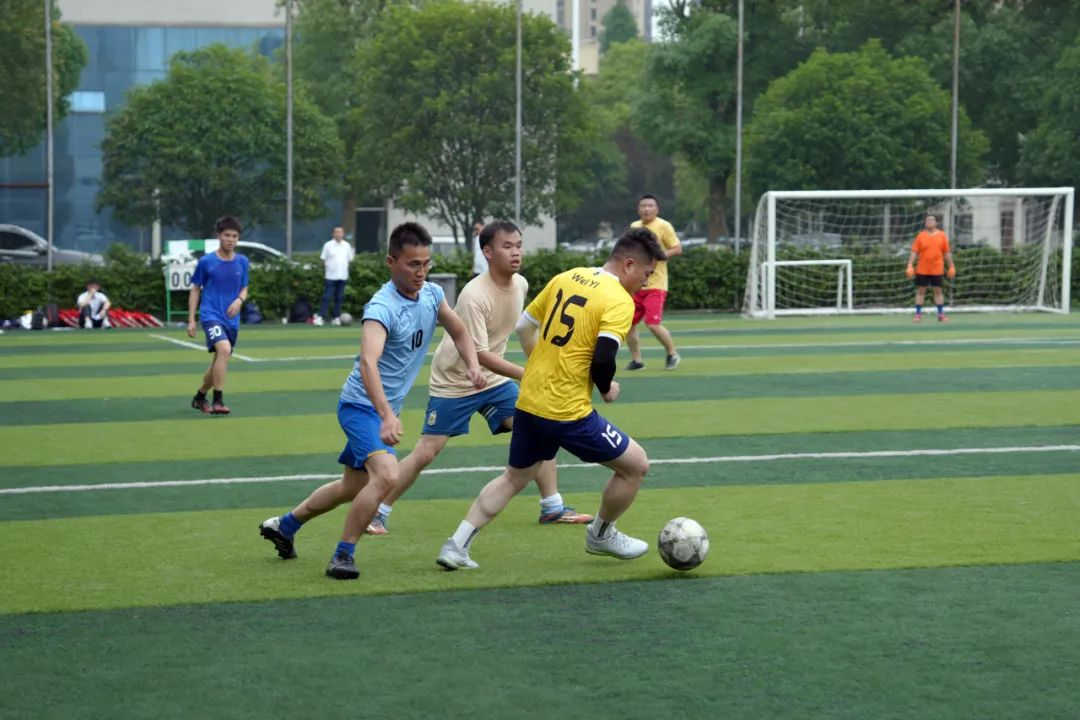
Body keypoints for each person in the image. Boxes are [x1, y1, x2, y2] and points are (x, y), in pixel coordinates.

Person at [259, 222, 485, 580]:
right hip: (361, 407)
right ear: (391, 262)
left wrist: (472, 365)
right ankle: (343, 555)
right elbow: (368, 362)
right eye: (413, 264)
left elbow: (458, 330)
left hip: (380, 410)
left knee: (352, 486)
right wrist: (386, 416)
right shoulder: (382, 306)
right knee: (387, 475)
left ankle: (284, 526)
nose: (421, 272)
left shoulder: (431, 294)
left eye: (426, 264)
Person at [435, 226, 667, 571]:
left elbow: (524, 326)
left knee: (514, 477)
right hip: (566, 410)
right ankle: (602, 533)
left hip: (530, 400)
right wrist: (605, 387)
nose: (646, 283)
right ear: (629, 265)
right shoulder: (618, 299)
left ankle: (456, 545)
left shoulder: (568, 277)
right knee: (636, 466)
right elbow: (603, 359)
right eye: (647, 274)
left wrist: (541, 365)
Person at [365, 220, 592, 535]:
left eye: (518, 245)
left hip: (495, 381)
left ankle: (552, 507)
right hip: (455, 380)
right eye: (507, 246)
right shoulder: (474, 295)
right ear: (487, 252)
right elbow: (480, 354)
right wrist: (530, 374)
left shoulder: (521, 284)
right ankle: (378, 511)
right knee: (427, 451)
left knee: (539, 427)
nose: (516, 252)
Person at [188, 216, 249, 415]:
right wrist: (191, 319)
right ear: (219, 236)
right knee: (224, 349)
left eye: (234, 236)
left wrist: (239, 300)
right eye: (227, 235)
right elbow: (195, 289)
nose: (230, 239)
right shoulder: (206, 262)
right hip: (210, 314)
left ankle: (200, 397)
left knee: (219, 360)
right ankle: (218, 401)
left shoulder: (242, 262)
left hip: (231, 319)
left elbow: (244, 288)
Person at [625, 194, 682, 371]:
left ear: (657, 209)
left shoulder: (663, 226)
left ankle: (672, 354)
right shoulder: (634, 226)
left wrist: (662, 255)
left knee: (653, 324)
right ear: (638, 209)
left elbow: (677, 248)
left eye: (650, 206)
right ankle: (637, 361)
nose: (646, 209)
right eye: (643, 206)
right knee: (627, 324)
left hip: (656, 285)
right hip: (637, 285)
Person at [906, 213, 957, 323]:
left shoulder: (942, 235)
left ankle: (941, 314)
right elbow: (914, 252)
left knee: (938, 291)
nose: (929, 221)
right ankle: (918, 315)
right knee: (921, 291)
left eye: (932, 220)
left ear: (936, 222)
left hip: (937, 269)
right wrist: (910, 265)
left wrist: (951, 266)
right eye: (927, 220)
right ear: (925, 223)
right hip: (922, 269)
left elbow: (947, 252)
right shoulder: (920, 236)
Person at [314, 225, 355, 327]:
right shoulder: (328, 245)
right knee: (327, 297)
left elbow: (349, 259)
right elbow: (323, 259)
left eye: (341, 232)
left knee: (339, 298)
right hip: (330, 276)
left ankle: (336, 317)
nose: (339, 234)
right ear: (333, 234)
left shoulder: (347, 245)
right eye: (337, 232)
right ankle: (320, 317)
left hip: (343, 276)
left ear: (343, 234)